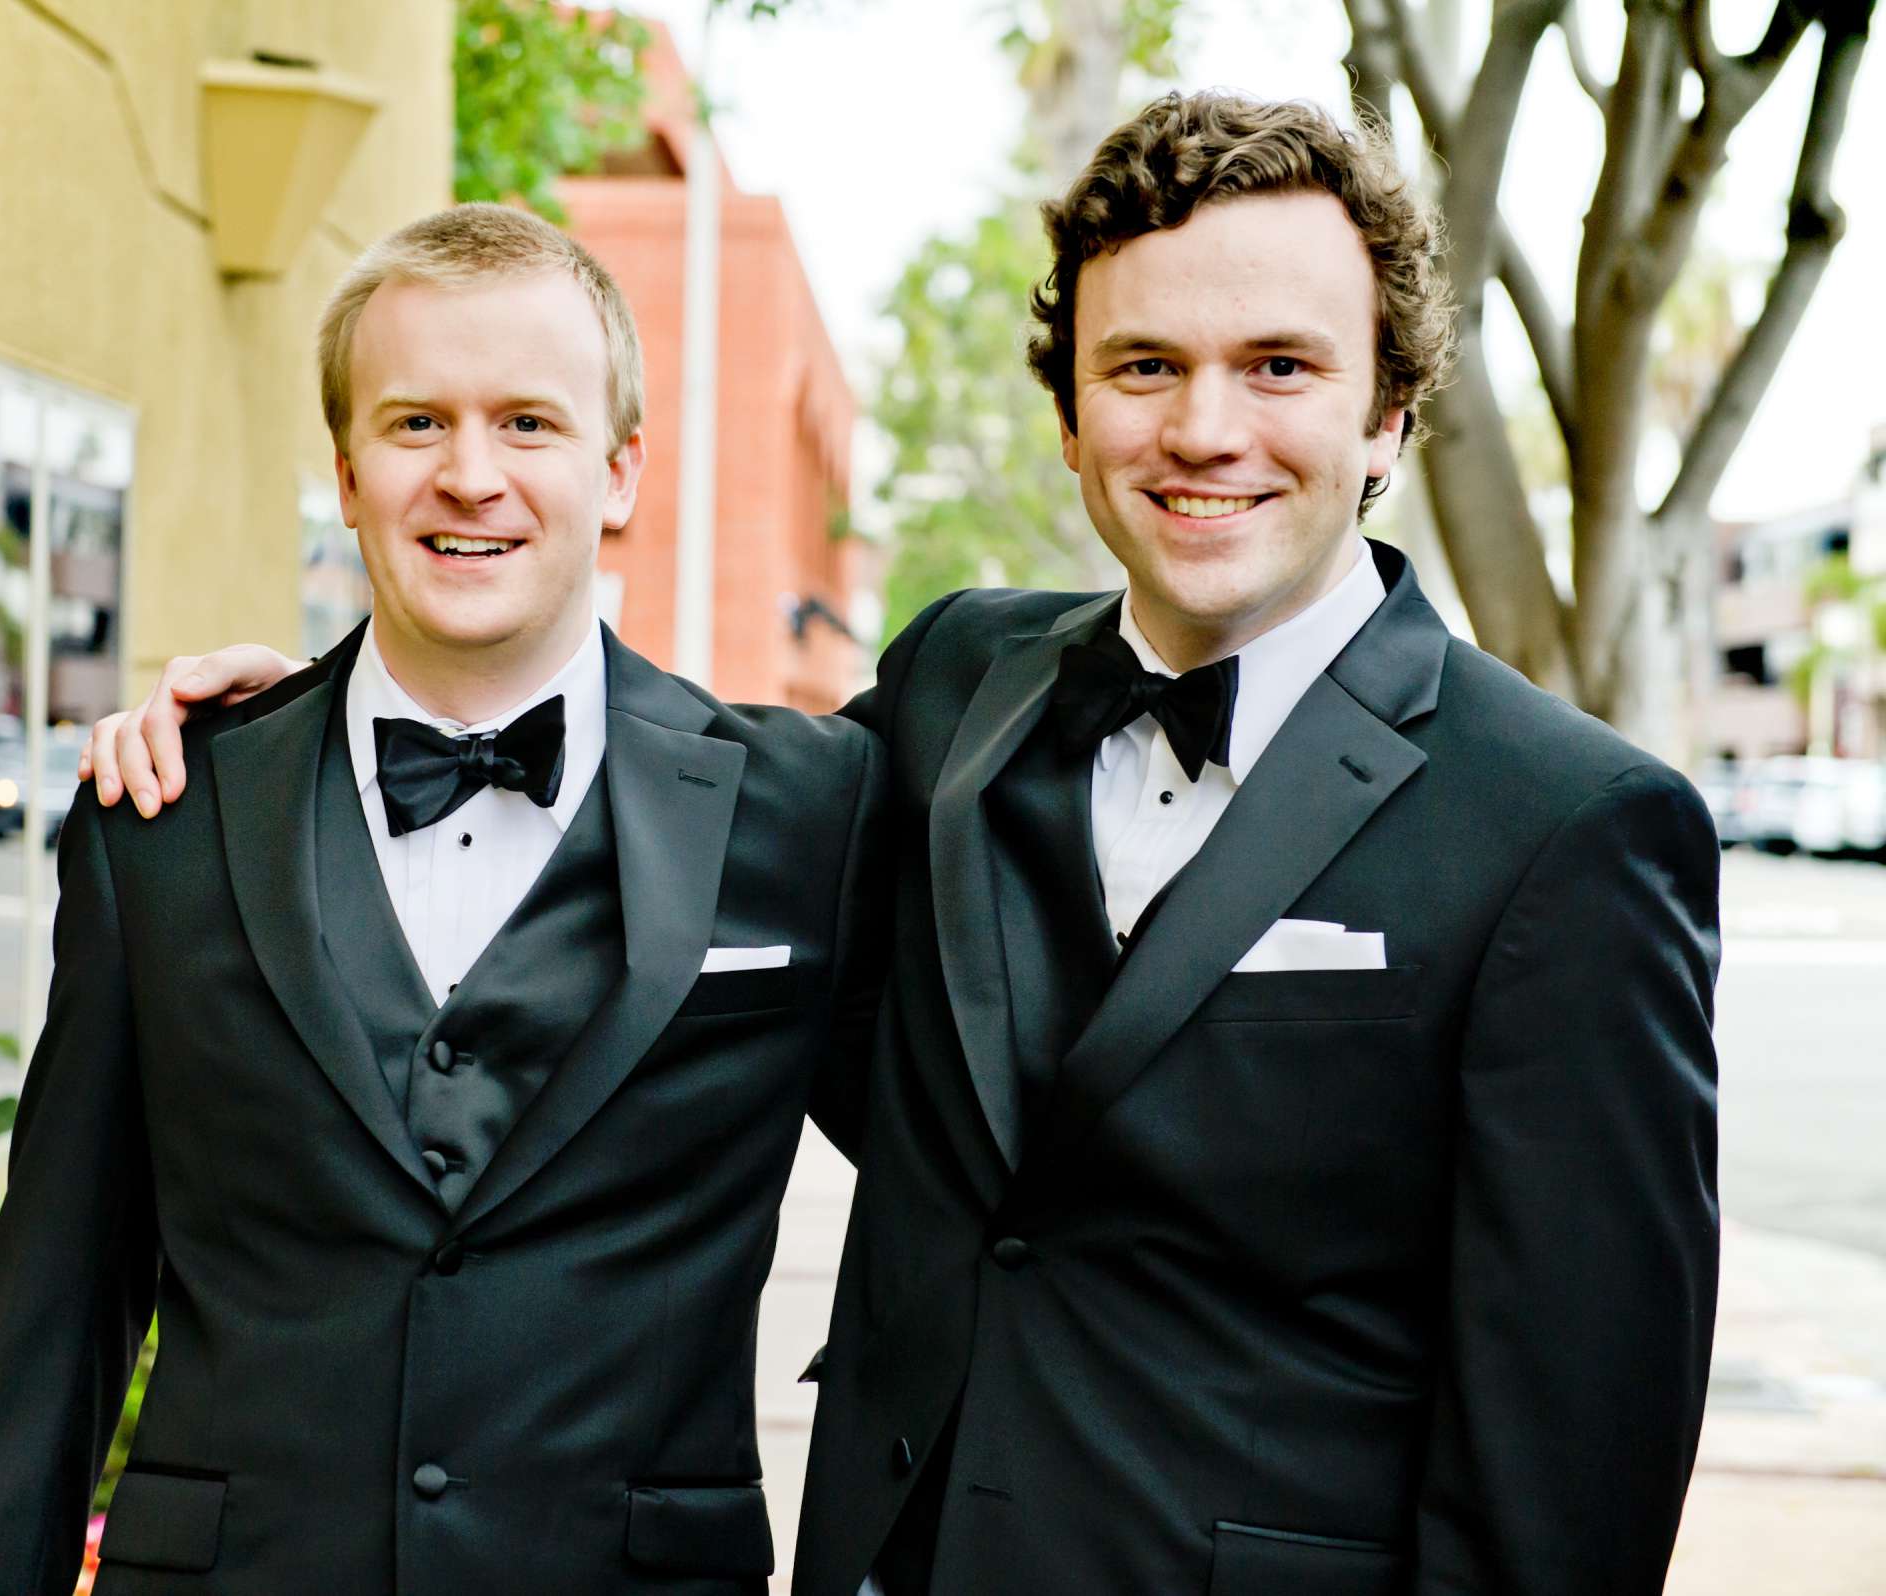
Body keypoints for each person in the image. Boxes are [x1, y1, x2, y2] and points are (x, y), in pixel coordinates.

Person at [89, 94, 1721, 1596]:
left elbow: (1567, 1472)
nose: (1204, 428)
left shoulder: (1572, 830)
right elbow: (661, 803)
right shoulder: (959, 688)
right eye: (1142, 366)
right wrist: (302, 732)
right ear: (1072, 419)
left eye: (1280, 367)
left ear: (1392, 413)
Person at [0, 203, 887, 1596]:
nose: (469, 475)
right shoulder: (168, 815)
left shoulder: (810, 810)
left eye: (529, 425)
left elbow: (974, 1196)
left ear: (618, 474)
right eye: (417, 423)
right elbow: (52, 1318)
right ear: (348, 471)